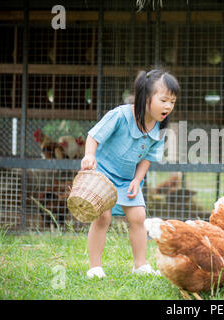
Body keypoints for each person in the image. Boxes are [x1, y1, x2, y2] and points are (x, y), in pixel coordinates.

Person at [81, 69, 179, 278]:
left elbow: (148, 157)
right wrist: (89, 156)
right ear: (146, 97)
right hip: (103, 174)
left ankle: (140, 265)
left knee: (138, 216)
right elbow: (93, 136)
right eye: (163, 100)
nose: (168, 106)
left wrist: (137, 179)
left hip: (127, 178)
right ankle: (95, 268)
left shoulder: (159, 126)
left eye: (172, 101)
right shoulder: (120, 115)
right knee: (102, 216)